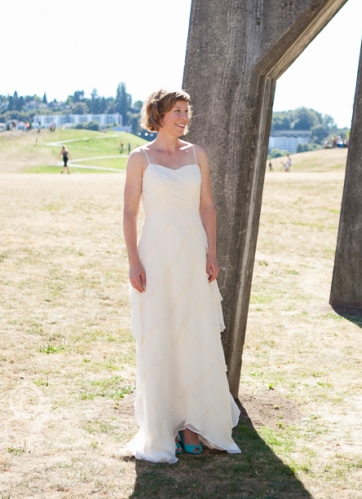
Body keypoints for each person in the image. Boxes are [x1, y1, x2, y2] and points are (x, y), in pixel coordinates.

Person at [122, 89, 241, 463]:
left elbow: (207, 206)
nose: (185, 117)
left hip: (192, 253)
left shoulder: (197, 154)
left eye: (187, 111)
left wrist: (211, 252)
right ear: (158, 114)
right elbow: (128, 213)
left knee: (194, 332)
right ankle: (163, 424)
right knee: (161, 333)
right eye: (177, 110)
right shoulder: (139, 158)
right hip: (155, 254)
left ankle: (194, 423)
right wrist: (133, 262)